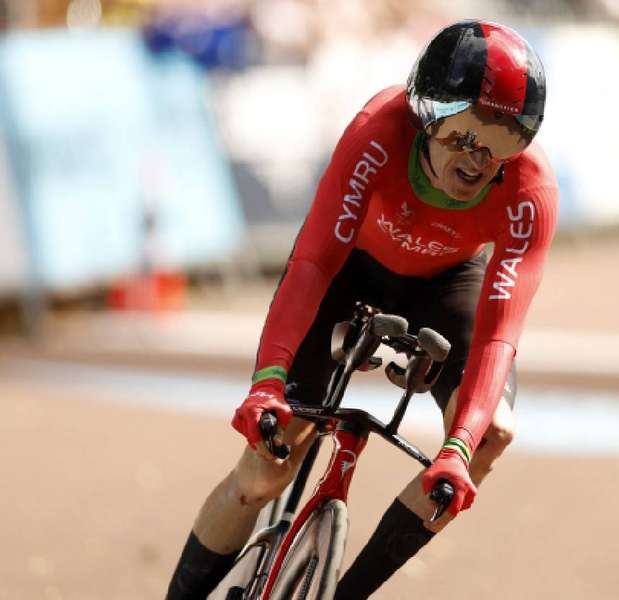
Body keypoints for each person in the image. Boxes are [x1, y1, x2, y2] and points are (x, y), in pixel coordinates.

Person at [167, 19, 557, 599]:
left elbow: (502, 333)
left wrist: (458, 448)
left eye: (502, 141)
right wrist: (267, 384)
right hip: (350, 269)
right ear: (428, 116)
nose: (479, 159)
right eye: (464, 136)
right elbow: (313, 264)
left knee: (491, 432)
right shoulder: (379, 129)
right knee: (263, 474)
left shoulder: (530, 190)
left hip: (447, 284)